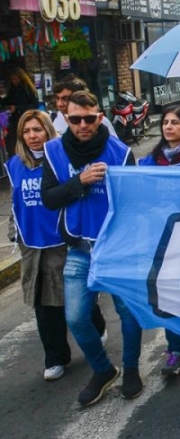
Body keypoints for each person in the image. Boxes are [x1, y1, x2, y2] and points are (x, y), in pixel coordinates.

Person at [41, 90, 143, 406]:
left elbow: (136, 203)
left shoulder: (121, 152)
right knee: (75, 317)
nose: (83, 125)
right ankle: (102, 369)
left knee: (129, 313)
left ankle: (130, 368)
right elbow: (49, 199)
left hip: (116, 250)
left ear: (100, 118)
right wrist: (80, 182)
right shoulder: (53, 151)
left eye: (89, 118)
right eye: (75, 119)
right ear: (66, 120)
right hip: (79, 249)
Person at [5, 110, 106, 382]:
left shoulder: (59, 159)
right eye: (26, 132)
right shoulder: (14, 165)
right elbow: (15, 204)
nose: (32, 136)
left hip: (63, 239)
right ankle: (56, 356)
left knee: (73, 298)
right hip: (33, 244)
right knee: (43, 303)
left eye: (37, 130)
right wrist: (14, 229)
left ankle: (96, 326)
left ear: (48, 131)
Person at [137, 104, 180, 376]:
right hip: (163, 239)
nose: (168, 127)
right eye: (165, 122)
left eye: (175, 122)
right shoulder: (149, 162)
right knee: (169, 293)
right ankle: (175, 351)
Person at [51, 75, 115, 136]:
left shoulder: (98, 120)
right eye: (57, 98)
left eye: (65, 99)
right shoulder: (54, 122)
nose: (60, 104)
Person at [3, 67, 40, 156]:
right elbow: (9, 100)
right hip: (15, 120)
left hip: (26, 117)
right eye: (12, 79)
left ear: (21, 78)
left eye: (15, 79)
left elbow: (35, 105)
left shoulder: (28, 89)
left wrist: (17, 108)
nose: (14, 81)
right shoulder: (13, 89)